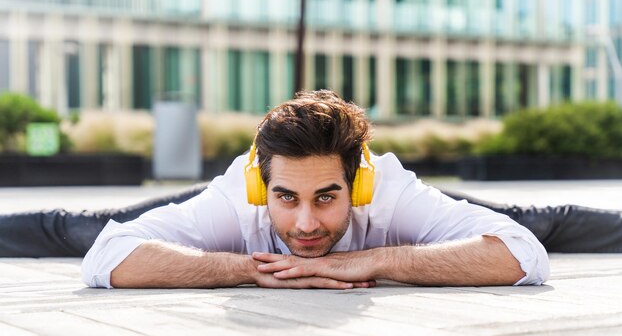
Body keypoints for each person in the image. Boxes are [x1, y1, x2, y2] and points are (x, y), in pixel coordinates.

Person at [76, 90, 551, 289]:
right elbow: (103, 256)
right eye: (286, 197)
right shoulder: (235, 198)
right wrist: (247, 269)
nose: (305, 225)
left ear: (359, 185)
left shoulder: (389, 189)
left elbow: (525, 252)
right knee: (76, 228)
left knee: (547, 220)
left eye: (326, 197)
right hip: (206, 208)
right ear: (260, 188)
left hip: (425, 212)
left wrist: (379, 258)